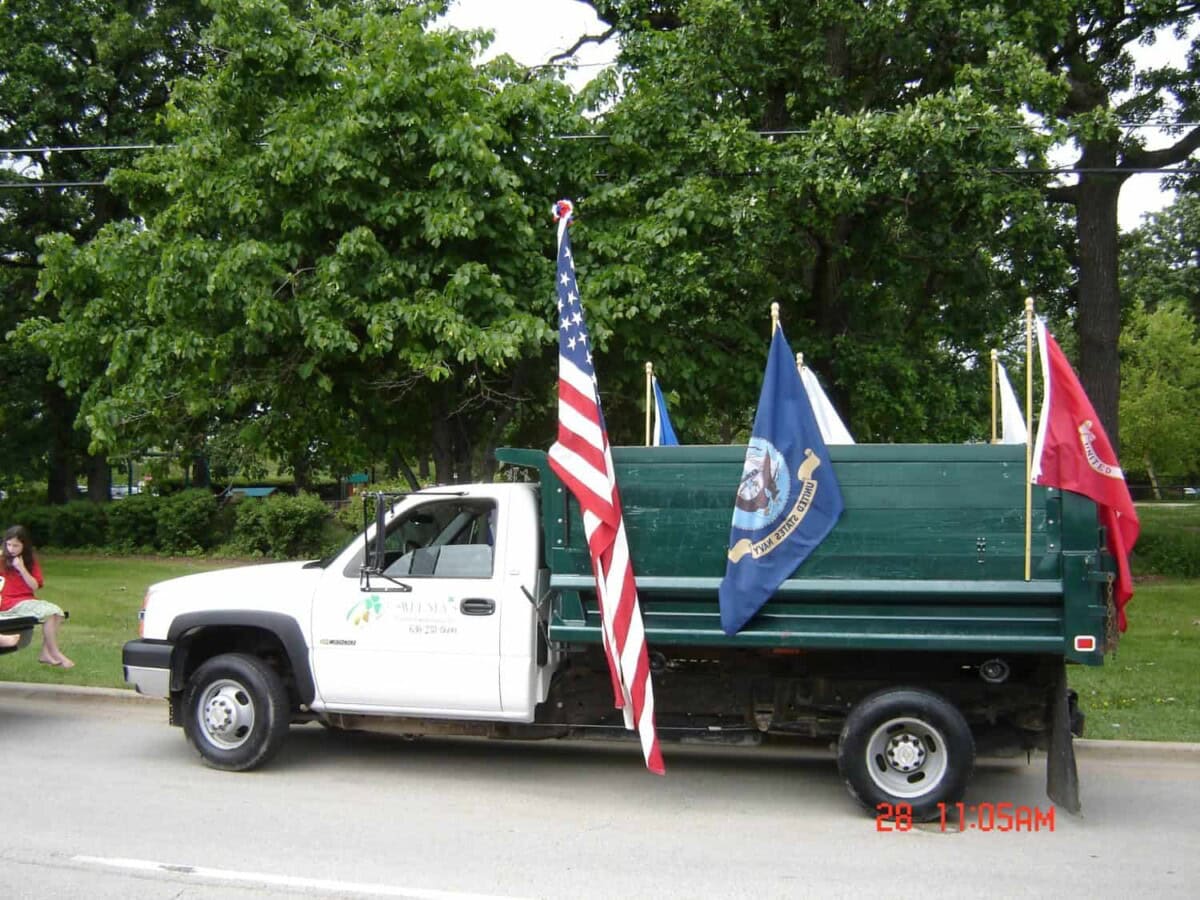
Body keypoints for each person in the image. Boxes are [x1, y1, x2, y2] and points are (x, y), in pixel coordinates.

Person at [0, 525, 74, 668]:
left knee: (57, 613)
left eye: (16, 545)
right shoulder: (2, 560)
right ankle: (55, 653)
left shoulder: (29, 561)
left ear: (24, 545)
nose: (11, 549)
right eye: (9, 544)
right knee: (51, 611)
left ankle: (46, 653)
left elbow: (34, 586)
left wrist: (21, 568)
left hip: (26, 600)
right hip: (10, 602)